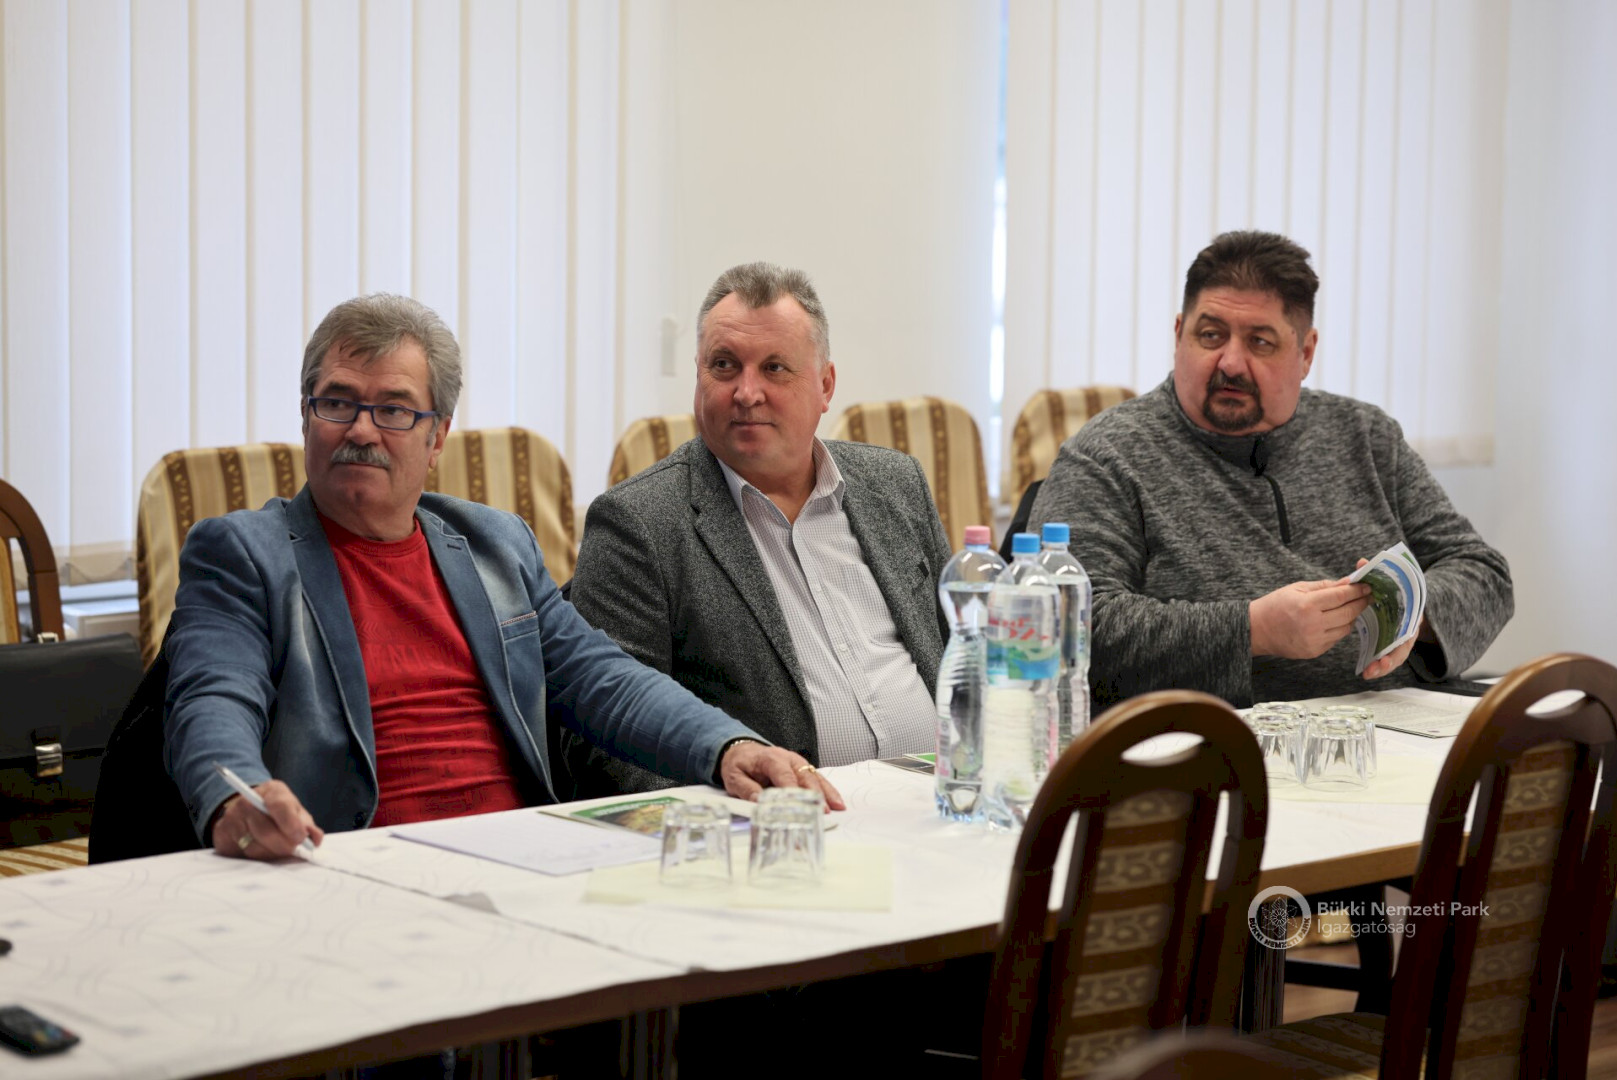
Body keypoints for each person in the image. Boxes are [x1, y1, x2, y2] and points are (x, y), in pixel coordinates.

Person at [163, 294, 840, 859]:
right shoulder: (243, 554)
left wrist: (726, 746)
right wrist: (234, 795)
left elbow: (603, 679)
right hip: (351, 860)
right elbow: (211, 701)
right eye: (337, 403)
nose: (361, 430)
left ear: (436, 438)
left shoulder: (494, 544)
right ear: (306, 417)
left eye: (394, 410)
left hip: (519, 857)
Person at [1029, 230, 1513, 708]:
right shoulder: (1108, 454)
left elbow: (1484, 573)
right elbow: (1064, 624)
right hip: (1216, 740)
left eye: (1260, 342)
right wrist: (1252, 630)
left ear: (1306, 354)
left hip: (1398, 724)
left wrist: (1408, 610)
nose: (1231, 363)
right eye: (1210, 335)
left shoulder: (1367, 436)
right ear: (1178, 335)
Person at [563, 261, 951, 797]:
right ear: (698, 375)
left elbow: (966, 659)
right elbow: (601, 737)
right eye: (724, 366)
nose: (747, 392)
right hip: (779, 825)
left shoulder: (895, 485)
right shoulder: (640, 523)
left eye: (774, 368)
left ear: (825, 385)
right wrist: (734, 805)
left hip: (941, 803)